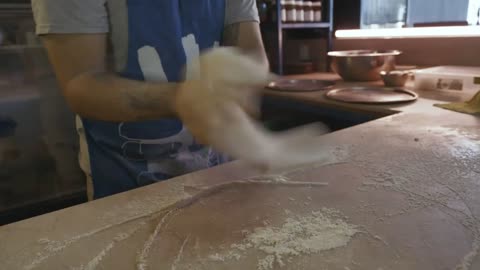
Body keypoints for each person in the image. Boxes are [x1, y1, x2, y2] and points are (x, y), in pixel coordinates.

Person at [32, 0, 269, 200]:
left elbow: (250, 53)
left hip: (217, 170)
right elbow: (81, 84)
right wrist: (182, 98)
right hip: (125, 181)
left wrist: (247, 79)